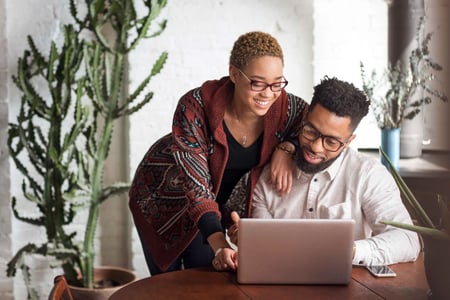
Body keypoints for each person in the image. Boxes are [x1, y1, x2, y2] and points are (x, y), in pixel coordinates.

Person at [129, 31, 308, 275]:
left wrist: (287, 148)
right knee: (168, 284)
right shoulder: (195, 106)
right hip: (162, 199)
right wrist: (220, 244)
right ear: (234, 73)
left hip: (214, 207)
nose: (268, 93)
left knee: (207, 281)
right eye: (257, 82)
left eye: (277, 83)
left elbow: (312, 130)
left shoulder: (290, 109)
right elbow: (196, 186)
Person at [229, 76, 421, 266]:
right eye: (311, 131)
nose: (316, 147)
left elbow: (407, 240)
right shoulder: (269, 177)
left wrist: (349, 250)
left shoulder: (368, 175)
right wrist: (251, 241)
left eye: (331, 141)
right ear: (303, 120)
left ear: (348, 142)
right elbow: (267, 250)